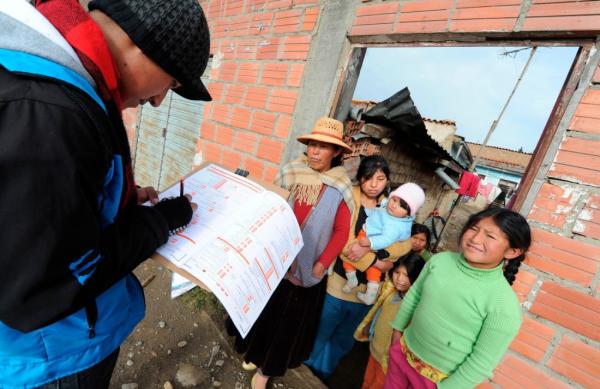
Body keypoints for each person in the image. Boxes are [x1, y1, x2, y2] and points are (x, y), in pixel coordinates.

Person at [0, 0, 210, 387]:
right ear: (140, 44)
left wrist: (114, 203)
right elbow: (42, 287)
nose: (162, 99)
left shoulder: (51, 75)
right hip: (54, 355)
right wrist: (159, 222)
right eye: (173, 83)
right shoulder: (50, 111)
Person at [228, 117, 355, 389]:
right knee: (262, 313)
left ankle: (265, 371)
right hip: (276, 261)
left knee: (283, 326)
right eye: (312, 145)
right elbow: (272, 205)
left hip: (306, 268)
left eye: (323, 147)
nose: (315, 151)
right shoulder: (292, 172)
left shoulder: (340, 185)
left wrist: (321, 264)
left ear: (337, 153)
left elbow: (342, 232)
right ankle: (253, 352)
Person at [383, 208, 531, 389]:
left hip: (438, 382)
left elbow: (481, 362)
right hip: (403, 353)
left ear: (513, 251)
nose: (475, 239)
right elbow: (414, 296)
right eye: (474, 228)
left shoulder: (503, 305)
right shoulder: (440, 261)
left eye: (490, 236)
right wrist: (397, 332)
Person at [304, 155, 412, 380]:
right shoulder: (348, 197)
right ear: (360, 178)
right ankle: (303, 372)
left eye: (380, 179)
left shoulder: (393, 205)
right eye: (368, 178)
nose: (374, 184)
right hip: (339, 282)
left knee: (343, 339)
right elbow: (341, 238)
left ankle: (322, 375)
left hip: (367, 290)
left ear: (387, 181)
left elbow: (405, 243)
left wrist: (386, 257)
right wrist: (374, 261)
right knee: (320, 332)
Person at [342, 183, 425, 304]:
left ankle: (362, 287)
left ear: (408, 213)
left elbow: (386, 240)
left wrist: (370, 243)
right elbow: (381, 208)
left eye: (401, 206)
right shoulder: (389, 207)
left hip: (371, 239)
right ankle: (360, 285)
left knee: (363, 265)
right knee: (364, 265)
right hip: (372, 238)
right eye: (394, 199)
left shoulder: (394, 225)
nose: (394, 205)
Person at [354, 253, 425, 389]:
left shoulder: (415, 306)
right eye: (397, 272)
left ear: (417, 277)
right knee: (367, 381)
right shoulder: (390, 291)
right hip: (375, 350)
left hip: (390, 362)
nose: (399, 279)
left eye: (406, 275)